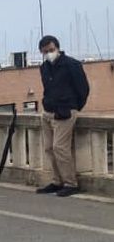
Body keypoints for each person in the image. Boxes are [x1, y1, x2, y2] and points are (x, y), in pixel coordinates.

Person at [35, 35, 90, 197]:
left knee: (60, 148)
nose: (49, 53)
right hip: (48, 111)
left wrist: (74, 107)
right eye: (45, 51)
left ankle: (70, 183)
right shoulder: (44, 67)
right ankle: (57, 181)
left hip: (65, 111)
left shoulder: (71, 65)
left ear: (57, 48)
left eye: (51, 50)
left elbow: (83, 89)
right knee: (49, 148)